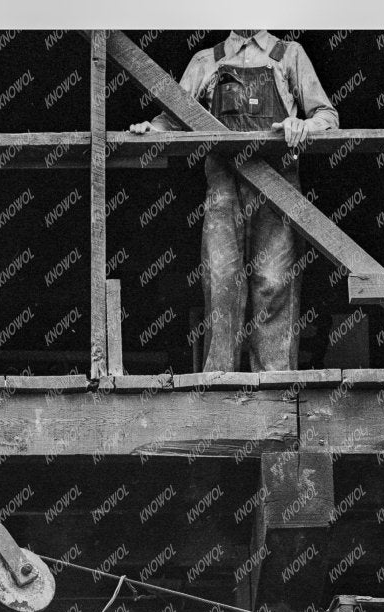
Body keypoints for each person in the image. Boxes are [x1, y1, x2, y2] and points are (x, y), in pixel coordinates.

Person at [132, 31, 338, 371]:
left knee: (274, 283)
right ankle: (219, 386)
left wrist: (303, 125)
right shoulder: (206, 60)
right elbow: (172, 119)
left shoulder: (289, 55)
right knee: (223, 283)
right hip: (223, 188)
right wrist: (152, 130)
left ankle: (276, 389)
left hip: (278, 187)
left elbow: (327, 116)